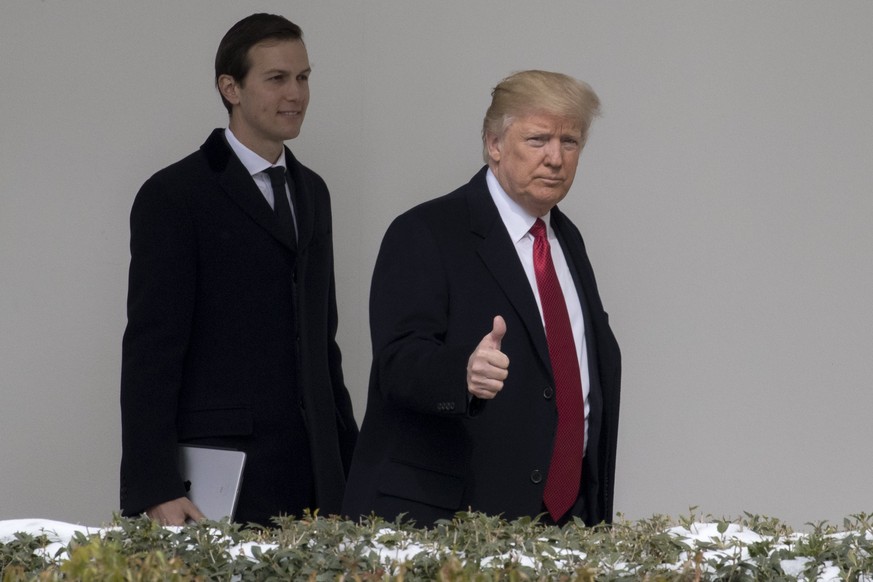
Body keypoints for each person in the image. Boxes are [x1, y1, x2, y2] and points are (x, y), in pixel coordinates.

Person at [342, 70, 621, 527]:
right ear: (494, 144)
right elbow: (397, 363)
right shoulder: (426, 231)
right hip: (450, 525)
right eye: (538, 139)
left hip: (564, 526)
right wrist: (462, 373)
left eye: (570, 142)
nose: (555, 158)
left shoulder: (566, 241)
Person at [120, 13, 358, 527]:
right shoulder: (175, 195)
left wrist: (351, 469)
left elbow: (322, 344)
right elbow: (151, 351)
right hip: (221, 480)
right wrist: (156, 484)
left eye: (303, 77)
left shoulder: (312, 191)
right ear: (231, 88)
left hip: (317, 480)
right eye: (277, 79)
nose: (295, 93)